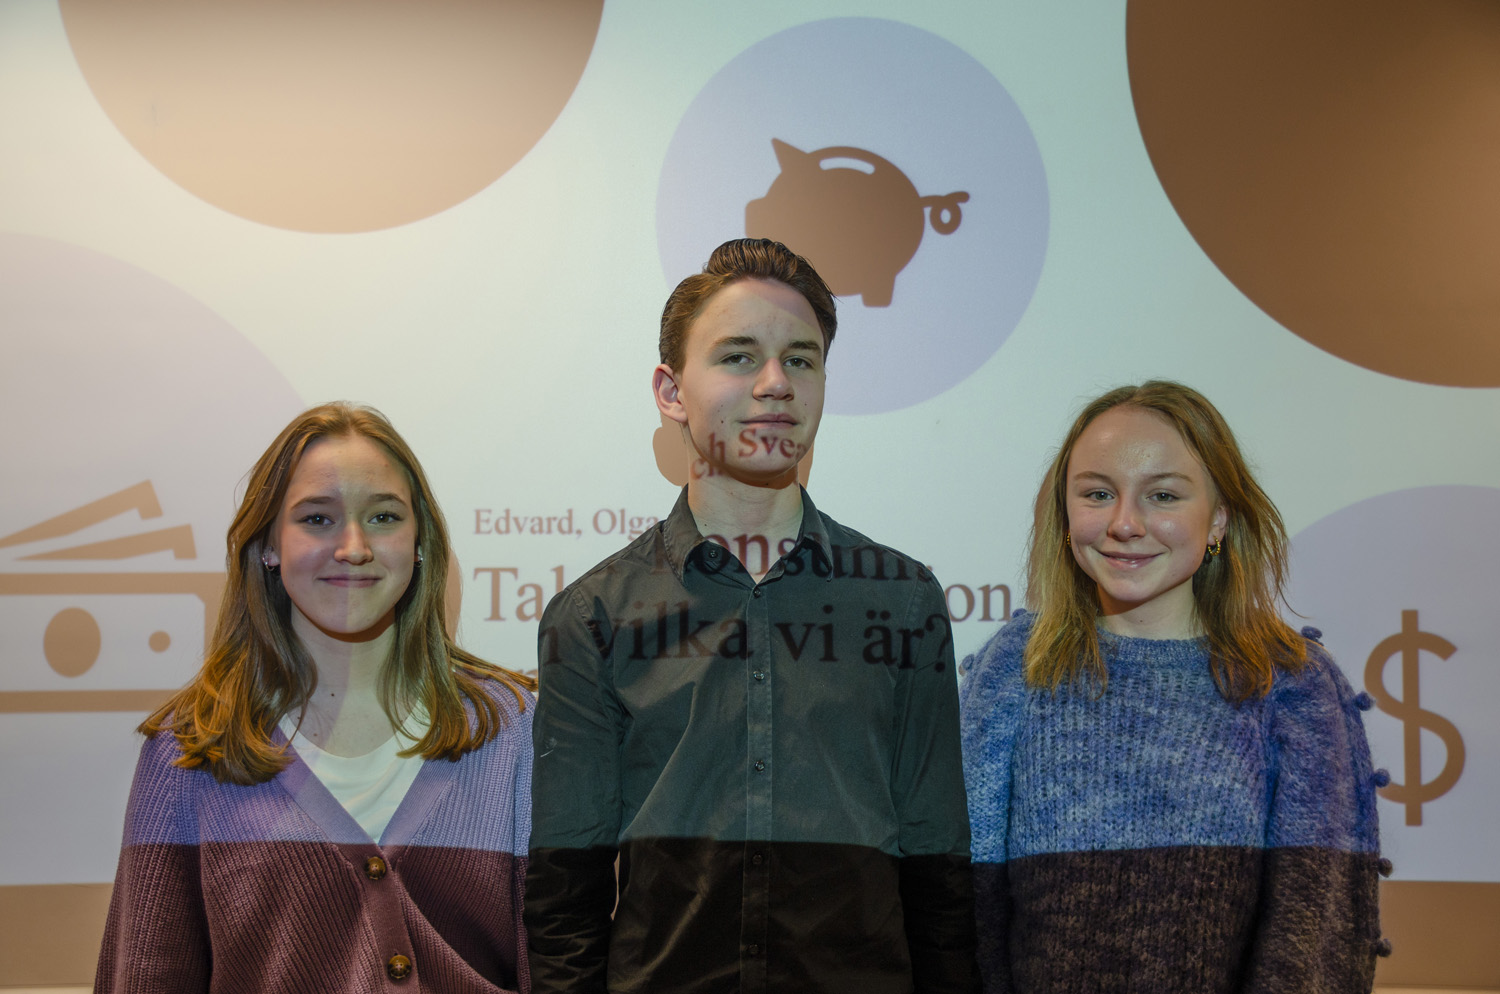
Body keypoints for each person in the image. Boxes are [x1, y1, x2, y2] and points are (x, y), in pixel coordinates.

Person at [525, 238, 978, 994]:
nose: (776, 384)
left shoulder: (903, 601)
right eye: (738, 357)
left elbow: (939, 875)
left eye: (801, 360)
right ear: (671, 391)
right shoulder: (594, 615)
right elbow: (565, 895)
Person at [960, 381, 1389, 994]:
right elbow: (966, 909)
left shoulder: (1291, 683)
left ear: (1219, 518)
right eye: (1098, 494)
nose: (1124, 523)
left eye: (1162, 495)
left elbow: (1316, 931)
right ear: (1065, 514)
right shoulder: (1016, 667)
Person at [96, 402, 536, 994]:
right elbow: (148, 976)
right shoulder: (190, 749)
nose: (353, 547)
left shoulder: (513, 732)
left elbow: (562, 964)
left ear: (420, 542)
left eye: (383, 516)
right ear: (269, 545)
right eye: (317, 519)